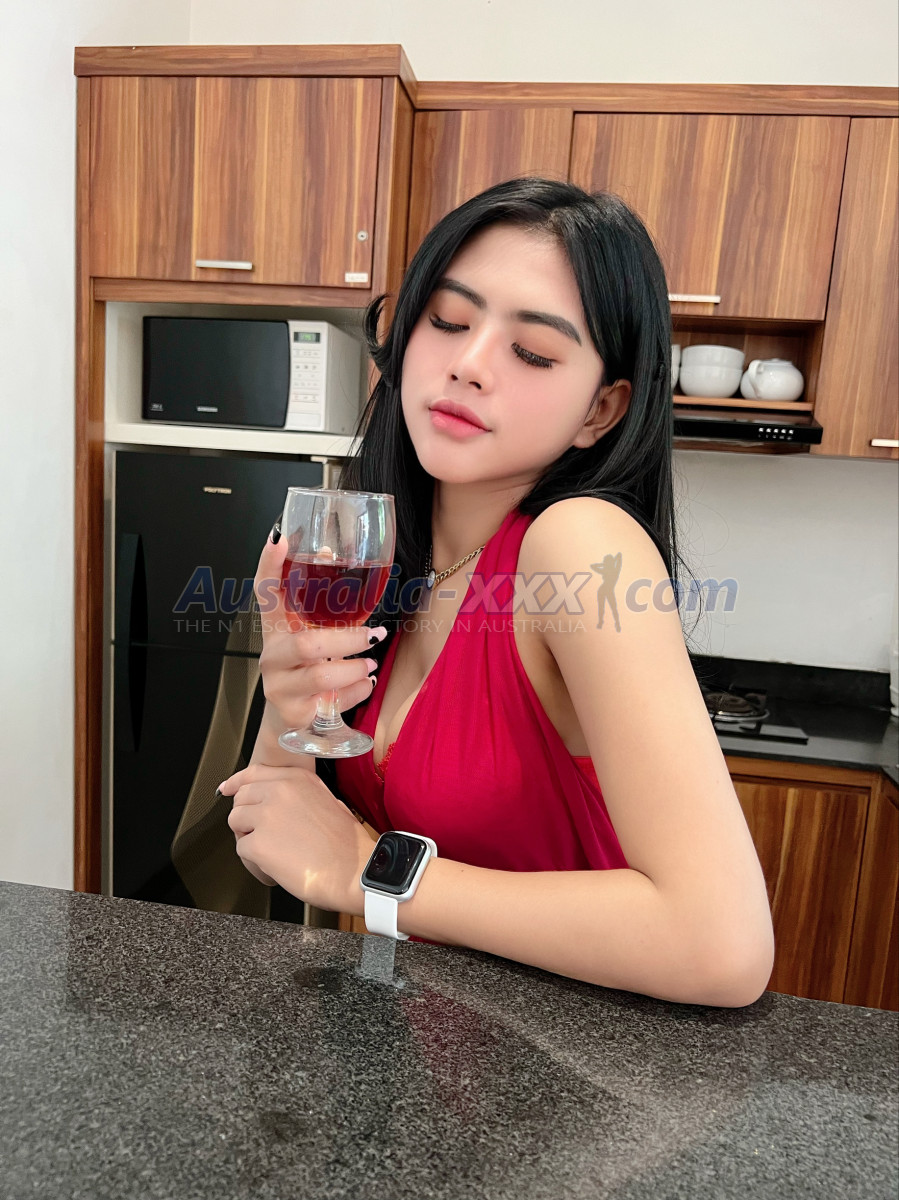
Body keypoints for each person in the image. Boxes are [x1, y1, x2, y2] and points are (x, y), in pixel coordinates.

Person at [220, 178, 774, 1007]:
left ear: (600, 411)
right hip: (418, 1044)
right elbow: (274, 836)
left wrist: (373, 870)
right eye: (447, 320)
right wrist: (289, 698)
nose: (469, 364)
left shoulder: (576, 547)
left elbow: (721, 947)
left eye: (534, 353)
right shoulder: (387, 561)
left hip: (573, 1064)